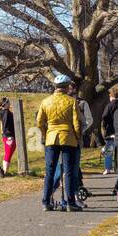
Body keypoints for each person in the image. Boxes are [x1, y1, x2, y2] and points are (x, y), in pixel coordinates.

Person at [36, 75, 82, 212]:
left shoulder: (45, 102)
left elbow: (39, 122)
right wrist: (78, 137)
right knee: (68, 171)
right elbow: (77, 123)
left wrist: (46, 133)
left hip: (51, 138)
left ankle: (46, 201)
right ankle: (70, 203)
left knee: (50, 170)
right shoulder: (72, 101)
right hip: (68, 137)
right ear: (67, 86)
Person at [101, 88, 118, 174]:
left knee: (109, 149)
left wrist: (104, 126)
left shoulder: (109, 106)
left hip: (110, 130)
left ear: (111, 96)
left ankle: (107, 168)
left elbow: (104, 116)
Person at [0, 97, 16, 175]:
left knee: (8, 153)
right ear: (5, 104)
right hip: (9, 136)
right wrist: (8, 136)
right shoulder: (6, 113)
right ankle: (4, 172)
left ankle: (4, 172)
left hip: (7, 136)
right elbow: (4, 125)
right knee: (8, 153)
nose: (10, 103)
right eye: (9, 102)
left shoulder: (2, 112)